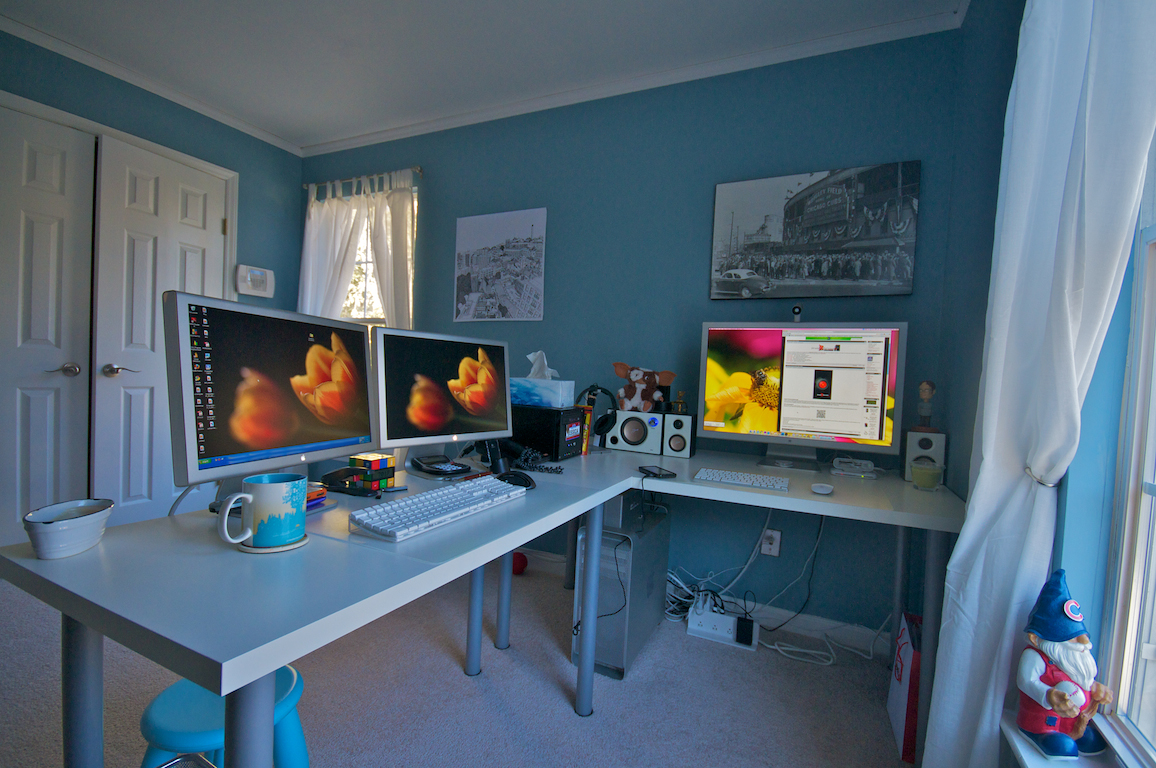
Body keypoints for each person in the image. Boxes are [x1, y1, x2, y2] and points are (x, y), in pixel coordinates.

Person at [1016, 570, 1113, 760]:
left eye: (1081, 635)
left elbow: (1079, 678)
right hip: (1042, 722)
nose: (1084, 643)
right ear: (1035, 638)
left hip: (1074, 721)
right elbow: (1026, 681)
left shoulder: (1073, 658)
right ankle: (1040, 734)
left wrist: (1095, 687)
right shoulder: (1035, 656)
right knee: (1061, 745)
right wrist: (1048, 694)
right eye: (1072, 637)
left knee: (1082, 741)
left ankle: (1075, 732)